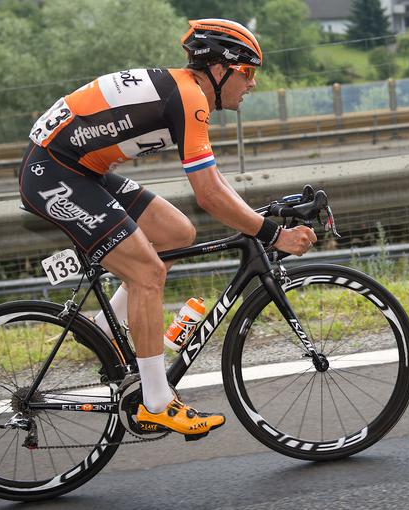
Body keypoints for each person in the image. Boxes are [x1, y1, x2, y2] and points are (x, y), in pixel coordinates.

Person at [19, 19, 317, 438]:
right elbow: (209, 195)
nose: (251, 84)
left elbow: (213, 183)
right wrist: (271, 234)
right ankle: (157, 402)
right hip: (53, 172)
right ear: (219, 70)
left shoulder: (186, 90)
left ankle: (104, 330)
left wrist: (256, 217)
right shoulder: (190, 98)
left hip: (82, 170)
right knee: (148, 273)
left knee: (178, 233)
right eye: (247, 73)